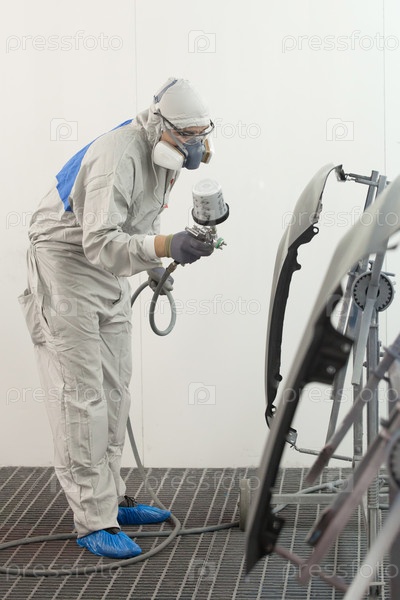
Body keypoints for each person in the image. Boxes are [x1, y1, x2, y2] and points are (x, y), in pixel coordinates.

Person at [18, 77, 215, 559]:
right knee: (82, 395)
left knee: (114, 389)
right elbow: (100, 240)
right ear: (161, 125)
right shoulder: (119, 154)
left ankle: (112, 500)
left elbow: (138, 223)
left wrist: (156, 266)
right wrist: (165, 246)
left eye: (201, 134)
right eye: (187, 135)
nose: (195, 146)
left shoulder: (163, 158)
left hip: (105, 267)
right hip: (66, 263)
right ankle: (93, 520)